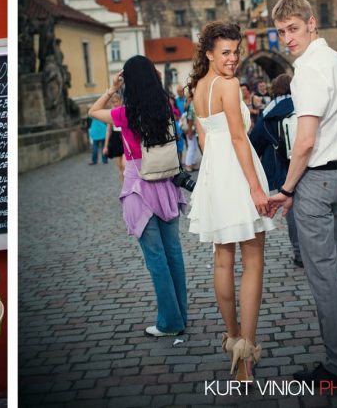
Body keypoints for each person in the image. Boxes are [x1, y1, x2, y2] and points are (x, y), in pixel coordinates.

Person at [266, 0, 337, 385]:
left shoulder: (307, 69)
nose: (287, 38)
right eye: (280, 32)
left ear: (312, 23)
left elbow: (304, 141)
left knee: (323, 271)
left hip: (317, 179)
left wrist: (287, 189)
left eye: (293, 28)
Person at [185, 21, 274, 381]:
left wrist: (213, 176)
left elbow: (206, 141)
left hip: (214, 173)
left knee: (223, 260)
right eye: (225, 52)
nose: (233, 58)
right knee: (252, 261)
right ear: (209, 53)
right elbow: (239, 138)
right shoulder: (228, 84)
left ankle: (233, 338)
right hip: (238, 171)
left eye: (236, 51)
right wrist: (255, 187)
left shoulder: (198, 87)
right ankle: (246, 357)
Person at [88, 56, 188, 338]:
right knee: (174, 254)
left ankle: (169, 322)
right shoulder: (165, 107)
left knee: (155, 258)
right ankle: (181, 314)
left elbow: (94, 111)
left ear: (128, 82)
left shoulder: (124, 114)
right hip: (166, 182)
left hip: (139, 187)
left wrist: (112, 88)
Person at [248, 73, 302, 267]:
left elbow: (256, 141)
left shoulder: (270, 110)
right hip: (306, 164)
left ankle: (299, 253)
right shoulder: (303, 102)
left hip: (282, 167)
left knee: (292, 208)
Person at [103, 91, 126, 184]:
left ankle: (128, 184)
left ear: (121, 101)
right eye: (113, 102)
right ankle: (123, 186)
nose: (116, 103)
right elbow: (108, 131)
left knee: (125, 165)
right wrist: (105, 146)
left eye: (117, 101)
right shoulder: (110, 114)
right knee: (119, 167)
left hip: (125, 138)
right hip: (115, 139)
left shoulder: (124, 111)